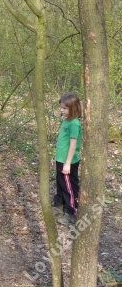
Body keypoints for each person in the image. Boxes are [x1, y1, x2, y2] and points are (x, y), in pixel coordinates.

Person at [52, 93, 82, 225]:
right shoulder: (66, 120)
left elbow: (73, 144)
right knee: (61, 184)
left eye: (64, 108)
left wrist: (68, 164)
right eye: (61, 107)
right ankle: (59, 204)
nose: (61, 110)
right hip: (61, 159)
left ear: (73, 108)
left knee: (70, 187)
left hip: (68, 161)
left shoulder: (74, 123)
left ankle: (71, 212)